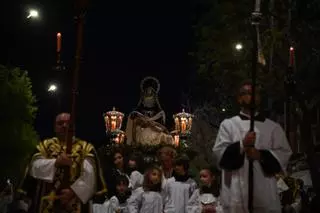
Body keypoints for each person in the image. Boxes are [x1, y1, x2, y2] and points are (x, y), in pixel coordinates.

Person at [212, 80, 292, 213]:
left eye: (255, 93)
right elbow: (220, 155)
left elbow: (284, 154)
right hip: (236, 193)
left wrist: (260, 155)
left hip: (265, 193)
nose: (252, 96)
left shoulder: (273, 127)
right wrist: (242, 144)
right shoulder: (228, 125)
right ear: (239, 98)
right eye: (247, 93)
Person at [15, 113, 107, 213]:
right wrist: (56, 162)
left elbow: (91, 177)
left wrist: (74, 192)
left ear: (74, 127)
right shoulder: (44, 146)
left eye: (68, 123)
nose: (64, 126)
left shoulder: (85, 148)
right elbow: (34, 167)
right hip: (46, 204)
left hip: (75, 203)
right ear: (55, 127)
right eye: (60, 123)